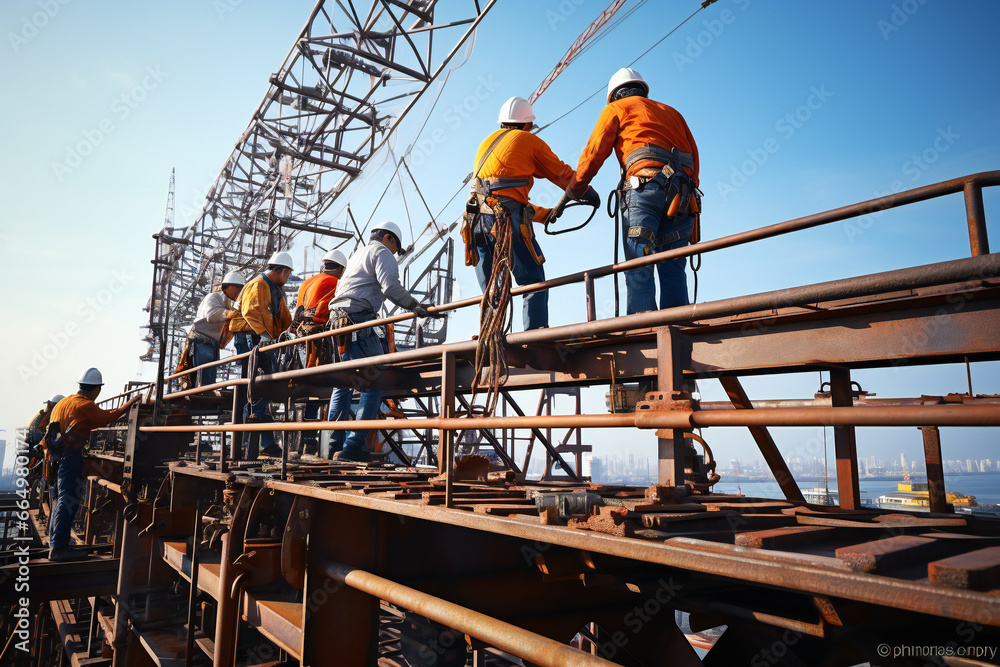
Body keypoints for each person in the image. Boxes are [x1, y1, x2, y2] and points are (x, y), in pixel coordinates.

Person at [566, 67, 700, 313]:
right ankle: (678, 322)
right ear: (642, 90)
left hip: (644, 190)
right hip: (682, 195)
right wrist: (690, 193)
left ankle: (643, 326)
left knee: (639, 262)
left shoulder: (616, 109)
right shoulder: (673, 113)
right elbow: (694, 155)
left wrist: (576, 189)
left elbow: (593, 154)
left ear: (614, 95)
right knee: (673, 264)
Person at [464, 96, 596, 330]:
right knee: (533, 280)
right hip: (504, 220)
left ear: (502, 122)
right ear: (527, 124)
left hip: (476, 221)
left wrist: (544, 214)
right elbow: (561, 173)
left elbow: (501, 198)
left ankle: (490, 335)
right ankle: (535, 336)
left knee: (492, 287)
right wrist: (585, 190)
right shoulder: (528, 140)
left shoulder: (485, 143)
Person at [325, 221, 441, 461]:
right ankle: (353, 447)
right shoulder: (381, 252)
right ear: (389, 238)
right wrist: (416, 307)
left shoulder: (357, 255)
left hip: (338, 324)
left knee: (343, 383)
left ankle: (332, 446)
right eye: (396, 248)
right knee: (374, 380)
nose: (395, 254)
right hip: (358, 321)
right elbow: (390, 287)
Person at [44, 368, 138, 561]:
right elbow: (107, 418)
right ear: (97, 389)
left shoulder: (64, 402)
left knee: (61, 500)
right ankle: (59, 548)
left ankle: (56, 543)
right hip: (69, 457)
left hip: (57, 457)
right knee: (68, 500)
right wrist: (130, 404)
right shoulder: (84, 405)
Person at [228, 251, 294, 457]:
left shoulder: (275, 290)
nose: (288, 278)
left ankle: (267, 443)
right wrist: (265, 336)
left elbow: (285, 319)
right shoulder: (258, 284)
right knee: (258, 387)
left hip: (262, 340)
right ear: (284, 271)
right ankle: (250, 438)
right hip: (252, 339)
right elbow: (250, 312)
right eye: (288, 274)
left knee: (263, 388)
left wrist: (294, 330)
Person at [188, 271, 245, 385]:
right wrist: (231, 313)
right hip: (201, 342)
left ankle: (204, 393)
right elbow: (211, 315)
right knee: (205, 378)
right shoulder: (213, 297)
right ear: (230, 286)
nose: (240, 293)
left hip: (212, 344)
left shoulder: (229, 303)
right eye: (239, 289)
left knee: (209, 377)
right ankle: (202, 393)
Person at [293, 248, 347, 367]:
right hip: (317, 337)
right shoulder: (335, 282)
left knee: (303, 370)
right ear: (340, 268)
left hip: (300, 334)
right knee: (317, 371)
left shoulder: (307, 282)